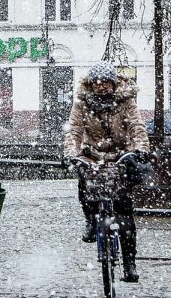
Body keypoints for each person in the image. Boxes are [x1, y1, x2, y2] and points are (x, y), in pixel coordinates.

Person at [63, 61, 150, 282]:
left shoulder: (126, 101)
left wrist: (140, 149)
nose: (101, 86)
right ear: (90, 85)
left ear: (113, 83)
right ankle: (91, 220)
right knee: (85, 183)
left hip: (121, 155)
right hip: (92, 155)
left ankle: (129, 263)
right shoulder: (81, 104)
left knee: (124, 212)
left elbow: (136, 126)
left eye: (105, 82)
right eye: (96, 82)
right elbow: (74, 130)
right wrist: (71, 154)